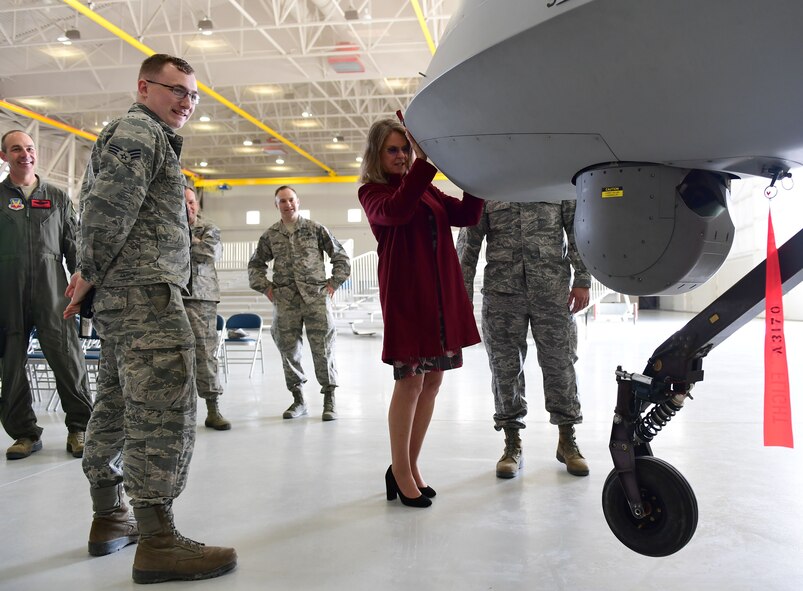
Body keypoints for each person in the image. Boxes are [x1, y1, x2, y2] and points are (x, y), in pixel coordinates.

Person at [63, 54, 236, 584]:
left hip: (130, 297)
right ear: (144, 87)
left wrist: (94, 276)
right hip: (146, 298)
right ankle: (158, 539)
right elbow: (106, 210)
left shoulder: (144, 134)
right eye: (176, 90)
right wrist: (87, 271)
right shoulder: (140, 130)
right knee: (163, 410)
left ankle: (109, 516)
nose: (186, 102)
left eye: (193, 95)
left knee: (114, 402)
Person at [358, 118, 482, 508]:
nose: (401, 156)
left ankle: (408, 466)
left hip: (440, 297)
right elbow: (396, 211)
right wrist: (425, 164)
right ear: (377, 154)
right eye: (392, 150)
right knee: (410, 383)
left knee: (432, 383)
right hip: (408, 299)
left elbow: (467, 216)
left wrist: (474, 178)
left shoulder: (424, 188)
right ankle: (400, 469)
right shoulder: (372, 192)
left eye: (404, 150)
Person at [457, 200, 591, 479]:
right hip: (502, 293)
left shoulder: (552, 178)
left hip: (553, 291)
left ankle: (567, 440)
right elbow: (469, 241)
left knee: (561, 364)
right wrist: (462, 296)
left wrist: (583, 279)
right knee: (505, 369)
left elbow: (578, 230)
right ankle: (511, 444)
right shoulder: (487, 183)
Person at [0, 129, 93, 461]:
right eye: (16, 149)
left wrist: (81, 279)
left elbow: (75, 245)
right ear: (4, 156)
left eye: (29, 148)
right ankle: (24, 433)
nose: (24, 154)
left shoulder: (57, 197)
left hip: (54, 290)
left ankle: (80, 428)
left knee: (68, 360)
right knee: (10, 365)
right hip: (7, 293)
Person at [248, 185, 351, 421]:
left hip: (315, 298)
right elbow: (255, 265)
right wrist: (267, 288)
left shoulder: (315, 229)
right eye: (282, 201)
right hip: (285, 301)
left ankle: (329, 399)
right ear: (277, 205)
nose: (288, 204)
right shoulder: (271, 235)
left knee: (323, 350)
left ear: (298, 201)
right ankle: (298, 400)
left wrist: (333, 284)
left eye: (291, 200)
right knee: (288, 349)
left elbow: (341, 257)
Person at [183, 184, 230, 430]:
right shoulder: (164, 228)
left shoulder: (209, 228)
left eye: (192, 202)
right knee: (172, 356)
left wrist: (186, 237)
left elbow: (210, 252)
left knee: (204, 353)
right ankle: (178, 412)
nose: (189, 206)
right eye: (184, 202)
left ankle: (213, 409)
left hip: (201, 297)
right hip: (171, 296)